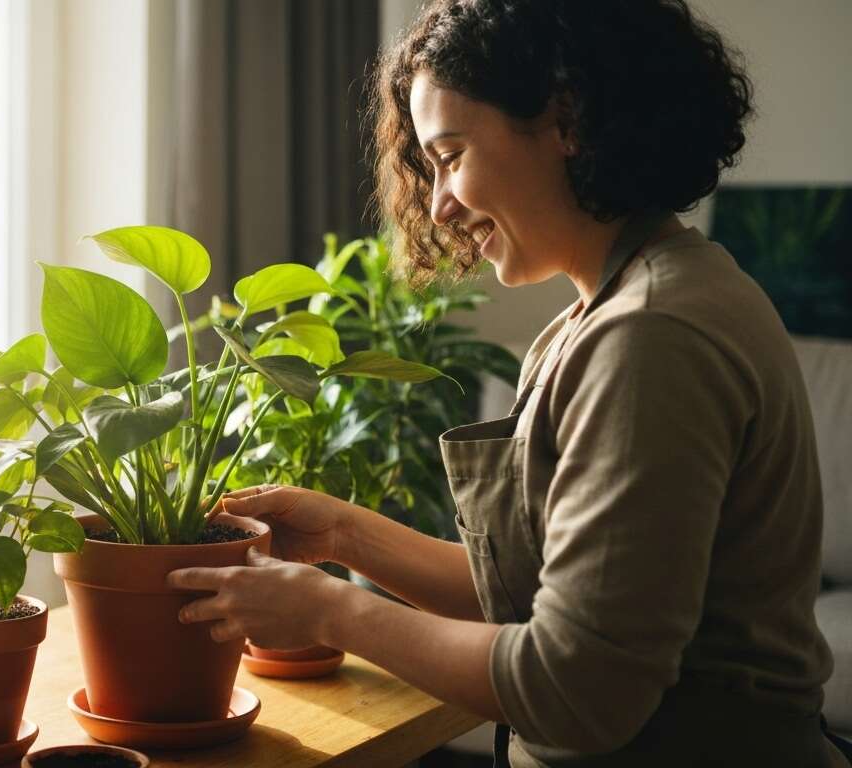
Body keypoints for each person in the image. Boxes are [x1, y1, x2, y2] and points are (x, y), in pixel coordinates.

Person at [166, 1, 852, 765]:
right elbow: (545, 600)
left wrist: (333, 612)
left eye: (452, 155)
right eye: (428, 169)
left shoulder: (652, 336)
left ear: (568, 119)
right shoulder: (601, 318)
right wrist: (346, 535)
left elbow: (576, 687)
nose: (437, 205)